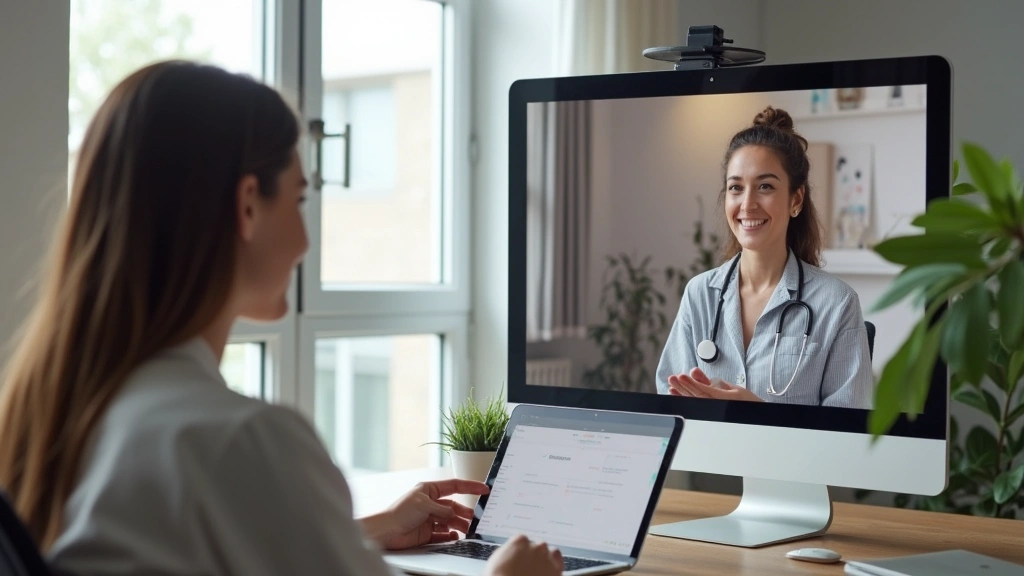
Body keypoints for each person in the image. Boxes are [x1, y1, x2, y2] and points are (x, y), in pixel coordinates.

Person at [0, 61, 563, 576]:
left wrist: (350, 535)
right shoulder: (242, 439)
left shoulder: (57, 414)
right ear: (247, 206)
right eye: (298, 201)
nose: (304, 241)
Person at [655, 106, 873, 408]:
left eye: (765, 187)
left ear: (795, 199)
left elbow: (849, 433)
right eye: (736, 188)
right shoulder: (700, 295)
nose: (748, 204)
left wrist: (757, 413)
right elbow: (672, 404)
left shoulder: (837, 303)